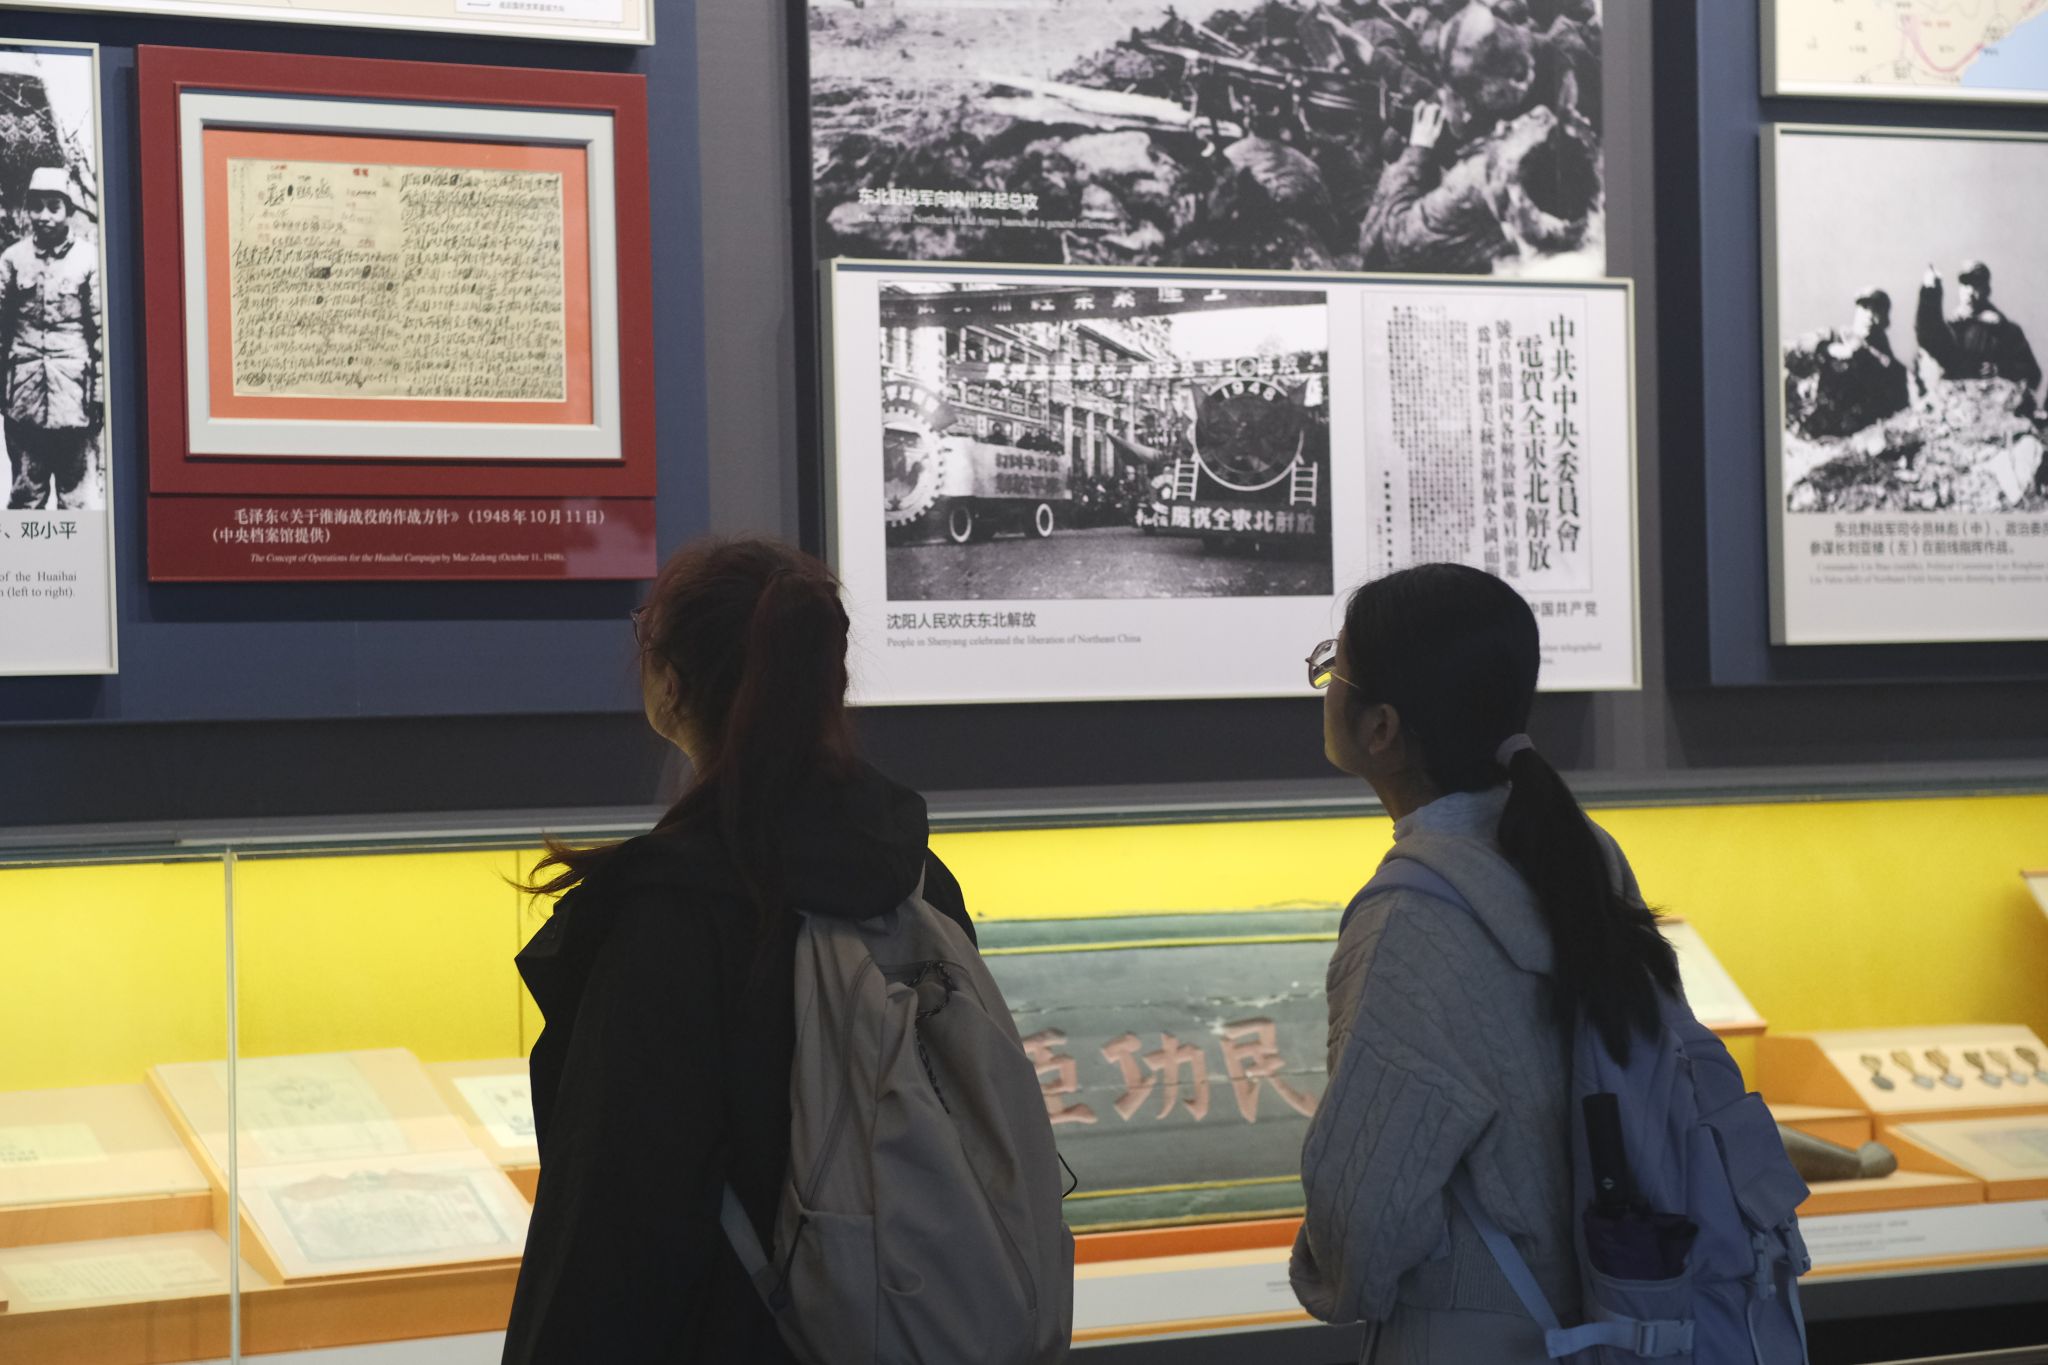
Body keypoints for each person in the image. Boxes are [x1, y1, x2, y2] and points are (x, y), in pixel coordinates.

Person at [501, 537, 977, 1363]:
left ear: (669, 683)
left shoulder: (668, 915)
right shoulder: (919, 882)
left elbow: (612, 1234)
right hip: (915, 1328)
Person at [1291, 564, 1681, 1362]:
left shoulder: (1410, 917)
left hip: (1481, 1331)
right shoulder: (1583, 852)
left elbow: (1362, 1225)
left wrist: (1327, 1271)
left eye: (1334, 668)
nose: (1324, 686)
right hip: (1616, 1310)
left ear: (1381, 728)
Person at [2, 167, 101, 510]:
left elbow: (101, 335)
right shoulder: (12, 261)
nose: (44, 216)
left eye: (54, 207)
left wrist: (99, 396)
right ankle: (28, 550)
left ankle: (76, 550)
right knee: (25, 497)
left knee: (77, 502)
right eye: (36, 206)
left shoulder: (89, 260)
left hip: (74, 401)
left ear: (69, 211)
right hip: (23, 401)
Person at [1783, 287, 1911, 439]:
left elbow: (1899, 412)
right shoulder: (1834, 336)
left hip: (1855, 440)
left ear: (1885, 319)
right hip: (1808, 428)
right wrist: (1827, 348)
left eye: (1876, 310)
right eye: (1865, 308)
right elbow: (1790, 349)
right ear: (1856, 311)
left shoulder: (1892, 369)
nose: (1870, 316)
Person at [1916, 260, 2041, 406]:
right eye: (1965, 284)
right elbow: (1928, 337)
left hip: (1994, 410)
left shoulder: (2005, 331)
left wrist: (2000, 370)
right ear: (1959, 289)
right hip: (1955, 407)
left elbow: (2033, 374)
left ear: (1987, 290)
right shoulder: (1953, 329)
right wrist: (1930, 292)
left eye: (1976, 285)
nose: (1970, 291)